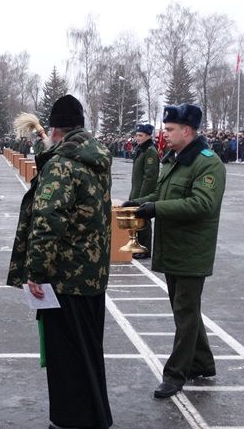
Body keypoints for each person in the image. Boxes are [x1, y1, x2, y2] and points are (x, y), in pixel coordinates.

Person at [7, 94, 113, 429]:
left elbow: (48, 220)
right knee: (88, 352)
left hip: (65, 277)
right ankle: (95, 416)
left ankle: (70, 420)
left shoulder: (62, 165)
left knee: (65, 357)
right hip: (92, 274)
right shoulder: (94, 157)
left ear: (55, 130)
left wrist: (36, 272)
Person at [124, 103, 225, 398]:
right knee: (186, 311)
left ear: (187, 130)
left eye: (169, 129)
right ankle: (202, 362)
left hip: (192, 251)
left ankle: (175, 374)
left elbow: (202, 204)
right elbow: (162, 193)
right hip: (172, 248)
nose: (164, 134)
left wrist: (156, 208)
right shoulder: (174, 159)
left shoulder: (207, 163)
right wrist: (138, 204)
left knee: (184, 312)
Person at [129, 124, 160, 259]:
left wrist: (142, 197)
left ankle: (145, 249)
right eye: (136, 135)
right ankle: (138, 246)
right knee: (138, 220)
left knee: (144, 221)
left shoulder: (150, 151)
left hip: (143, 193)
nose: (137, 138)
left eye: (140, 135)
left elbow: (150, 177)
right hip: (136, 191)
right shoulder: (141, 149)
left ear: (148, 136)